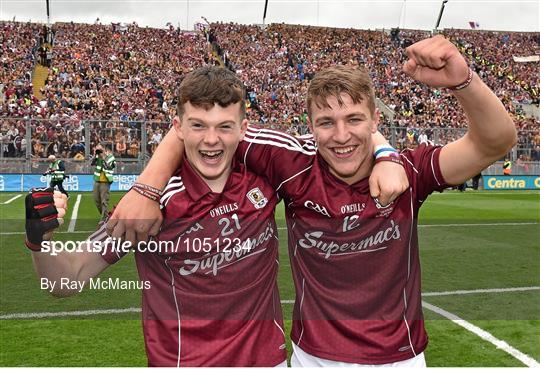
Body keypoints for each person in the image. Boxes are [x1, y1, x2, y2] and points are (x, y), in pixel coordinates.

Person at [110, 35, 516, 366]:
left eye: (355, 120)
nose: (341, 136)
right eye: (326, 123)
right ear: (310, 128)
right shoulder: (289, 161)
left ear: (376, 121)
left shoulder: (410, 171)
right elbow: (200, 129)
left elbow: (494, 142)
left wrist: (463, 83)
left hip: (400, 357)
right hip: (314, 357)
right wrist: (147, 187)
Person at [24, 66, 405, 367]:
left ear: (243, 129)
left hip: (268, 362)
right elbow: (65, 280)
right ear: (178, 129)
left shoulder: (268, 176)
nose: (211, 140)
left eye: (224, 127)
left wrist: (386, 152)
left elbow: (342, 133)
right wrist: (38, 240)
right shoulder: (153, 204)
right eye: (198, 126)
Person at [91, 145, 116, 221]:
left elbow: (109, 167)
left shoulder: (111, 157)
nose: (99, 150)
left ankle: (103, 219)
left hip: (105, 181)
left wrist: (103, 157)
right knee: (96, 200)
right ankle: (105, 215)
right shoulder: (97, 156)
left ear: (104, 149)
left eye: (100, 149)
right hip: (97, 180)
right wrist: (95, 154)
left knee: (104, 201)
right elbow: (92, 163)